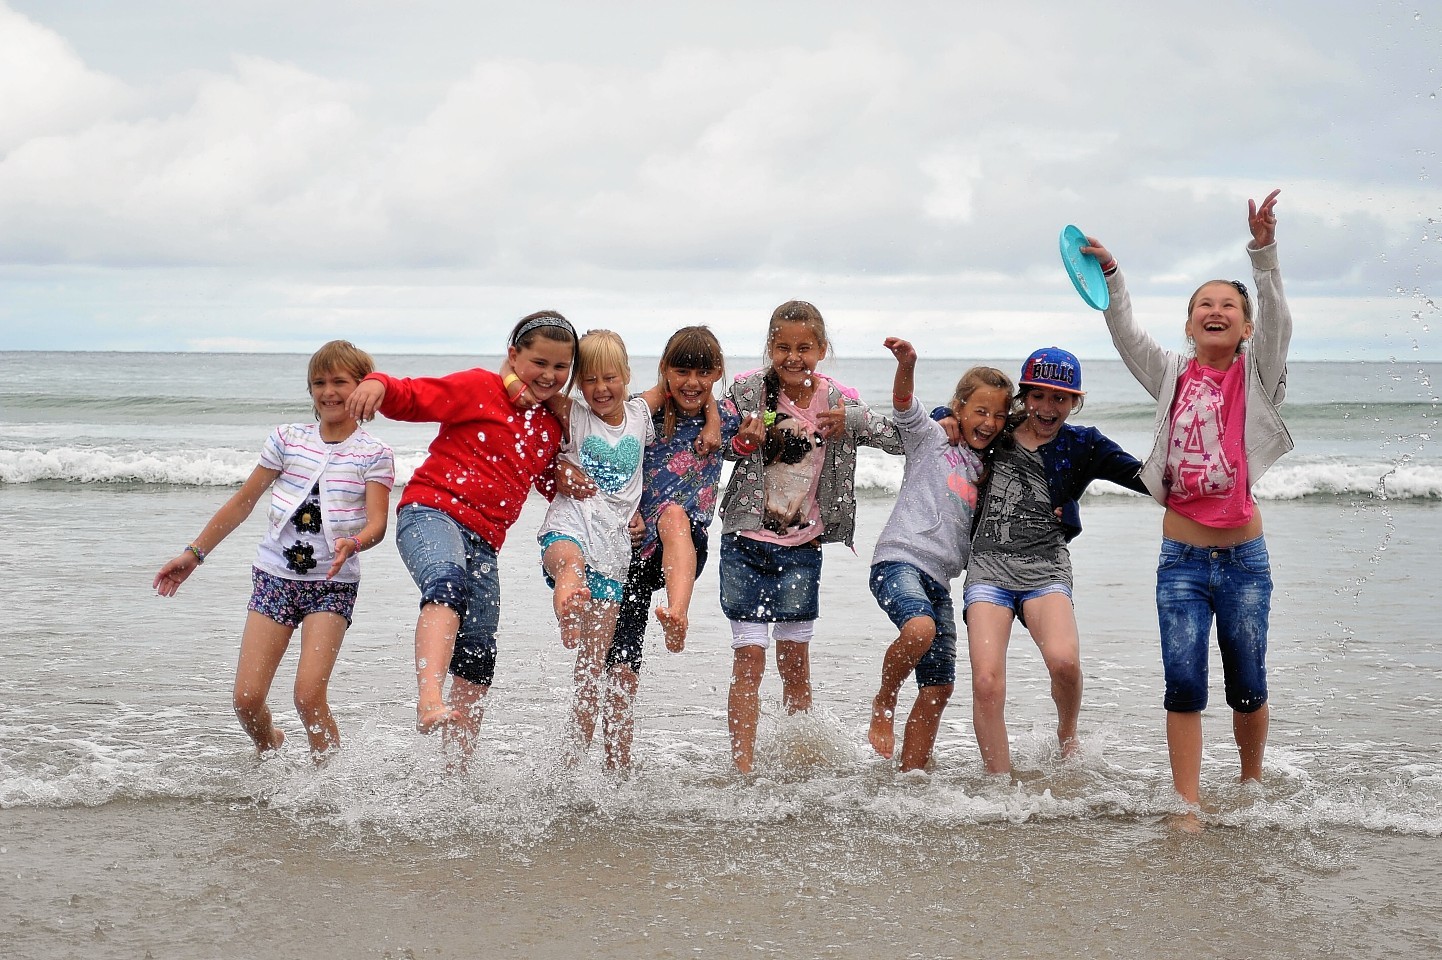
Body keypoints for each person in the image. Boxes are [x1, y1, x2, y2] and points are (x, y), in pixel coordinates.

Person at [1084, 189, 1291, 825]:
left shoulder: (1260, 374)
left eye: (1229, 305)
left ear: (1246, 326)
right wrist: (1113, 278)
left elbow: (1281, 319)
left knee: (1247, 683)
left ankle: (1252, 787)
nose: (1217, 311)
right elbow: (1124, 335)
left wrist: (1263, 254)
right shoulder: (1170, 373)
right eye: (1205, 304)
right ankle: (1187, 802)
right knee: (1183, 683)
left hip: (1244, 560)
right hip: (1180, 561)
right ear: (1189, 322)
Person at [344, 311, 577, 756]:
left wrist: (570, 481)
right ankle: (429, 699)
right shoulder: (479, 387)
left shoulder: (548, 425)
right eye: (539, 362)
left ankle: (458, 770)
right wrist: (379, 383)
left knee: (478, 648)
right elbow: (414, 398)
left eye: (560, 367)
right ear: (514, 354)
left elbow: (541, 480)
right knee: (446, 584)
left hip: (485, 542)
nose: (549, 375)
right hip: (430, 513)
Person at [153, 340, 394, 759]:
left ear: (362, 387)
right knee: (246, 700)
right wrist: (194, 553)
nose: (328, 391)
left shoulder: (374, 453)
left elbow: (377, 524)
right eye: (318, 382)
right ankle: (271, 747)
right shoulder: (287, 439)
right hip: (274, 579)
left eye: (340, 381)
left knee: (307, 697)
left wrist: (354, 542)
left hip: (331, 586)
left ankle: (330, 785)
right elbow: (242, 503)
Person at [719, 300, 903, 773]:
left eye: (804, 347)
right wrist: (741, 440)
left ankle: (798, 769)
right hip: (744, 542)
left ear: (822, 349)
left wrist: (854, 423)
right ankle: (743, 770)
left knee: (795, 662)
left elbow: (899, 439)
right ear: (770, 348)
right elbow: (712, 443)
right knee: (749, 663)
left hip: (803, 550)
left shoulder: (838, 400)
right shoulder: (747, 392)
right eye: (782, 347)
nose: (793, 356)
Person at [534, 328, 719, 765]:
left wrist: (712, 418)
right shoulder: (575, 416)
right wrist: (554, 463)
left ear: (627, 376)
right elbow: (530, 386)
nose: (601, 388)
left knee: (594, 667)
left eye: (610, 377)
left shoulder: (639, 413)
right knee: (569, 566)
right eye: (591, 379)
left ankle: (584, 769)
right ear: (578, 382)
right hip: (574, 526)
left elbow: (684, 384)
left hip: (617, 554)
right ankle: (568, 606)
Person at [962, 346, 1147, 776]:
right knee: (987, 681)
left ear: (1074, 402)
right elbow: (957, 416)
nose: (1047, 408)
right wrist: (946, 417)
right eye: (1038, 396)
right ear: (1023, 395)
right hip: (989, 566)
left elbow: (1146, 477)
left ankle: (1068, 733)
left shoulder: (1084, 444)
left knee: (1065, 664)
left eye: (1060, 399)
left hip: (1046, 568)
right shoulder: (998, 431)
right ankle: (998, 784)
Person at [866, 339, 1013, 772]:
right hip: (898, 560)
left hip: (940, 579)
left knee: (939, 686)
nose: (989, 422)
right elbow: (904, 404)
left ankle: (911, 775)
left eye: (999, 416)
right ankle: (885, 699)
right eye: (980, 411)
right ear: (959, 408)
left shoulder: (991, 470)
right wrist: (908, 365)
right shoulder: (932, 439)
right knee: (919, 630)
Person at [606, 326, 734, 768]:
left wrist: (722, 420)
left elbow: (764, 423)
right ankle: (615, 764)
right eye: (682, 372)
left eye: (704, 373)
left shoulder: (722, 419)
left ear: (718, 372)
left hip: (684, 547)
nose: (692, 383)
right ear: (664, 370)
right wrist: (628, 513)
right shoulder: (644, 416)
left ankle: (678, 612)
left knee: (675, 515)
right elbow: (615, 428)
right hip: (634, 549)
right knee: (621, 657)